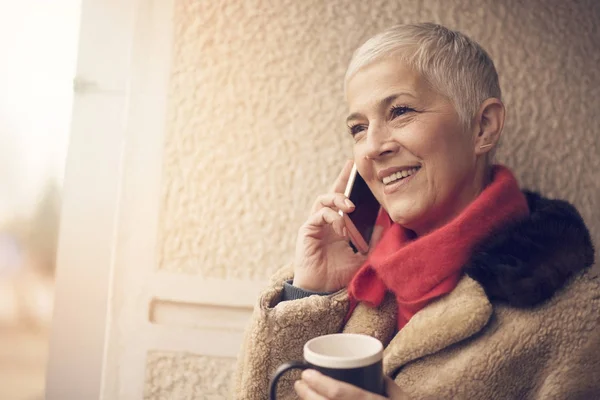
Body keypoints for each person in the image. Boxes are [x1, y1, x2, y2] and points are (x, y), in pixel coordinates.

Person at [232, 23, 599, 399]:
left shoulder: (577, 317)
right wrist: (310, 294)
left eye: (400, 111)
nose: (372, 146)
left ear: (483, 127)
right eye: (358, 128)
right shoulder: (356, 277)